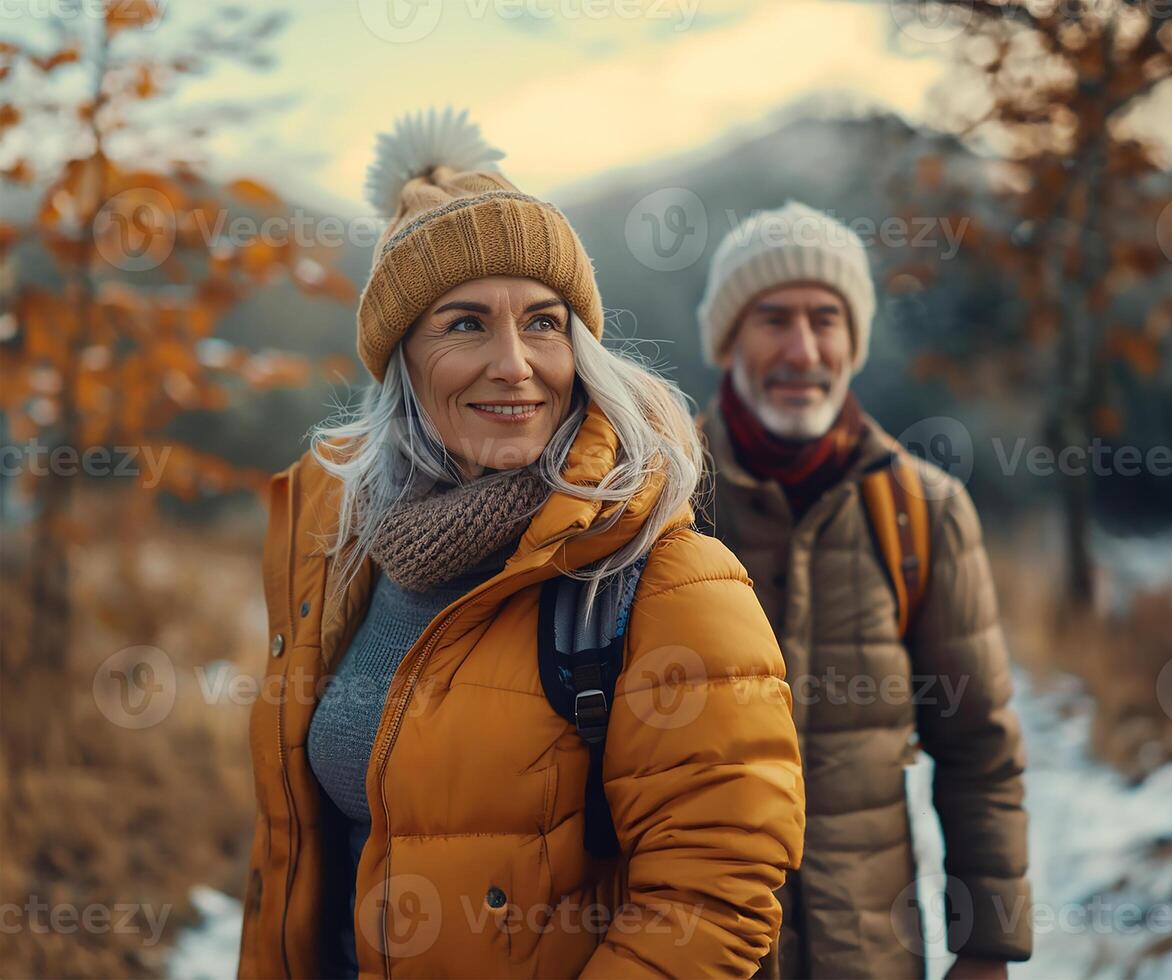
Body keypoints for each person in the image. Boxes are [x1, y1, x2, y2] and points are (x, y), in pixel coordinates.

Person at [236, 108, 805, 979]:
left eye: (543, 322)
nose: (515, 363)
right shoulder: (342, 554)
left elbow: (716, 889)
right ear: (401, 363)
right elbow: (294, 855)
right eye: (465, 324)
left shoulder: (665, 578)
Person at [695, 201, 1032, 979]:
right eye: (773, 318)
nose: (804, 349)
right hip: (701, 957)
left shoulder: (925, 512)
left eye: (826, 319)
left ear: (854, 339)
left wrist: (987, 947)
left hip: (875, 956)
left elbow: (979, 745)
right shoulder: (661, 503)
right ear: (728, 338)